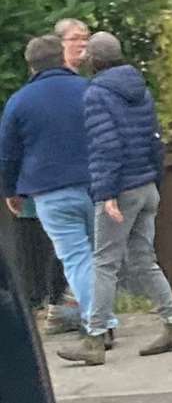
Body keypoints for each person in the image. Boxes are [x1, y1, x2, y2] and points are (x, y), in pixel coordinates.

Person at [57, 32, 172, 367]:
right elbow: (153, 141)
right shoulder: (140, 90)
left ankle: (94, 338)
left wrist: (107, 194)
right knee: (144, 259)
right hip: (146, 184)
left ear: (95, 61)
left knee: (104, 263)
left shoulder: (97, 94)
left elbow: (106, 146)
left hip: (121, 189)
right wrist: (154, 182)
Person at [0, 37, 96, 337]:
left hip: (50, 192)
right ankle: (97, 317)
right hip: (97, 187)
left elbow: (8, 153)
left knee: (76, 258)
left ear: (31, 65)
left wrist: (11, 191)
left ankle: (97, 324)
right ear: (62, 58)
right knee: (98, 256)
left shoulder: (20, 101)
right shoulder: (89, 91)